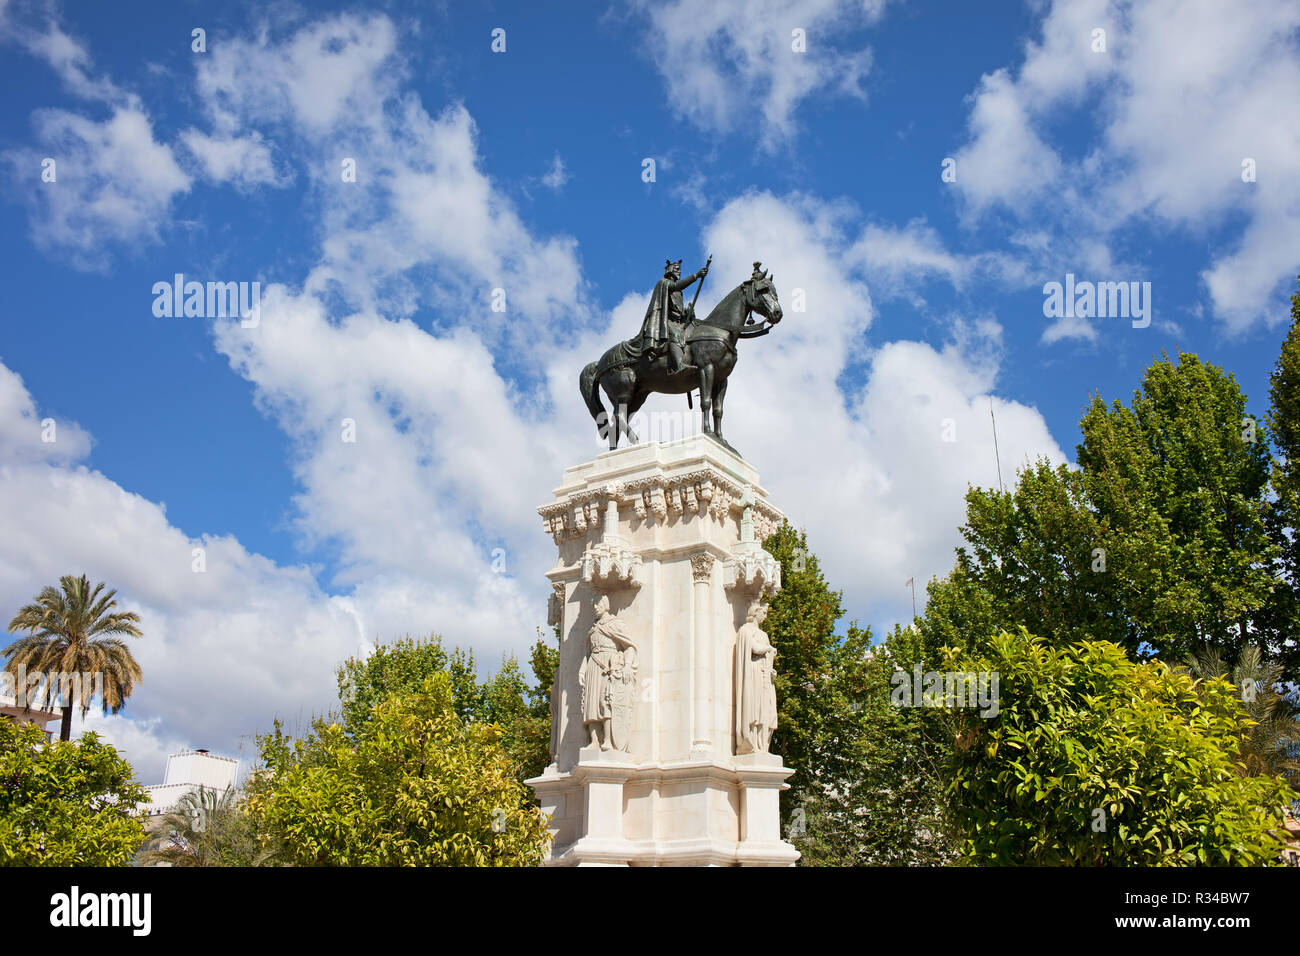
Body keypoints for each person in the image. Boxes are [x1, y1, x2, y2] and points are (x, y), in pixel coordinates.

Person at [639, 257, 709, 373]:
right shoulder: (664, 283)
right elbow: (676, 286)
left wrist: (687, 313)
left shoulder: (678, 292)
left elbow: (677, 308)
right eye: (676, 269)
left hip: (678, 321)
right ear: (670, 270)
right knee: (675, 333)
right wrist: (696, 276)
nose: (679, 272)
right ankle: (678, 365)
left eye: (680, 270)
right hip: (667, 322)